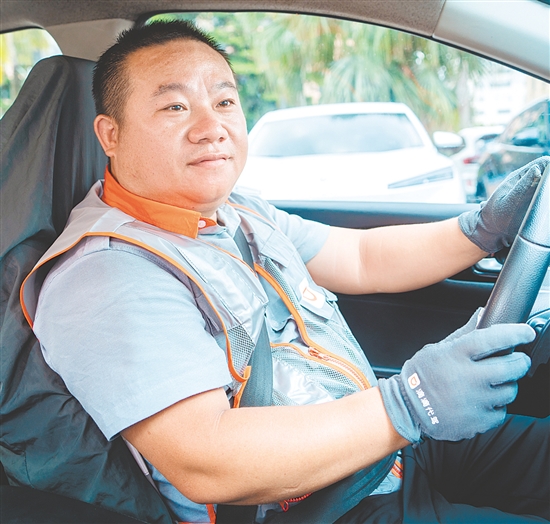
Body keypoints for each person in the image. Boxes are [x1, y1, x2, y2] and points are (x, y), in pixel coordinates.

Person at [23, 20, 549, 524]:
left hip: (385, 451)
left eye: (224, 102)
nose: (212, 128)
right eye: (175, 106)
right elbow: (206, 459)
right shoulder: (104, 274)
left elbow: (361, 257)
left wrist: (480, 229)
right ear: (110, 135)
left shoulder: (238, 212)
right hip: (327, 507)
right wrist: (409, 403)